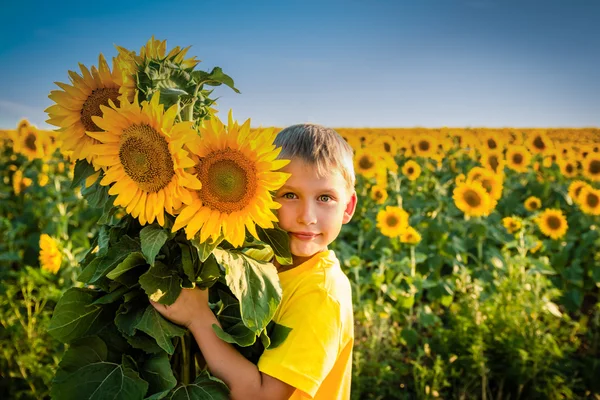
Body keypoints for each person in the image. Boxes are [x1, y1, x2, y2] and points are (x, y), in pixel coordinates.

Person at [150, 123, 358, 400]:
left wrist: (198, 318)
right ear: (262, 194)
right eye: (290, 195)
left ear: (348, 207)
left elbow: (261, 396)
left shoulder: (321, 294)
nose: (307, 216)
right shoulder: (257, 263)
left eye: (325, 198)